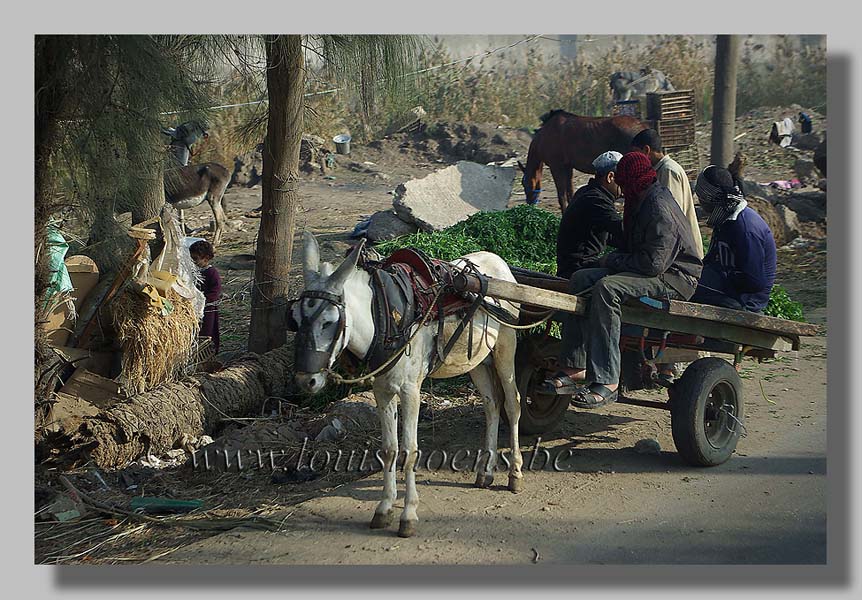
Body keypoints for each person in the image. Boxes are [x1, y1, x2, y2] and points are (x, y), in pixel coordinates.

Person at [541, 152, 703, 408]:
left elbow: (653, 264)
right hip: (650, 268)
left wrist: (611, 261)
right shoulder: (639, 199)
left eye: (624, 184)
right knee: (581, 278)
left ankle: (607, 380)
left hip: (675, 278)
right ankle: (574, 366)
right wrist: (612, 260)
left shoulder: (658, 206)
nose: (622, 191)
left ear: (632, 180)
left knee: (608, 288)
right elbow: (631, 247)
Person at [690, 165, 777, 313]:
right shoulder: (725, 217)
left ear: (711, 198)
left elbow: (754, 282)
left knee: (684, 288)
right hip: (728, 287)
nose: (698, 200)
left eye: (700, 196)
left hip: (745, 301)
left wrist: (720, 280)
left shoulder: (744, 227)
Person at [631, 128, 704, 258]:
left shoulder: (668, 171)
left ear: (646, 150)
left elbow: (670, 217)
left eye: (637, 154)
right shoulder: (659, 170)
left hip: (682, 251)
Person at [555, 151, 624, 279]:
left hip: (574, 265)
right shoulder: (596, 200)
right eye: (623, 180)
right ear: (610, 177)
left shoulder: (587, 192)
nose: (625, 186)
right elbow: (620, 229)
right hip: (578, 269)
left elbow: (610, 235)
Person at [189, 240, 222, 354]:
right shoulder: (194, 272)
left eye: (196, 258)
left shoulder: (212, 273)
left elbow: (215, 291)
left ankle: (208, 353)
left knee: (207, 331)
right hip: (195, 307)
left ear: (206, 258)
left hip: (208, 308)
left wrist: (203, 300)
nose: (193, 261)